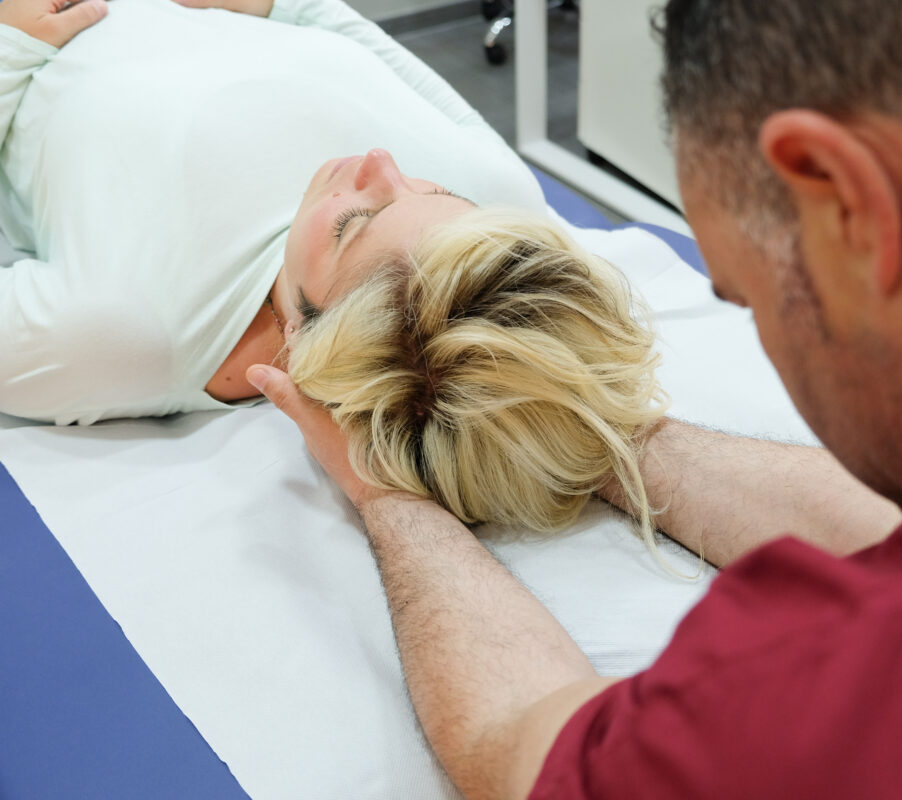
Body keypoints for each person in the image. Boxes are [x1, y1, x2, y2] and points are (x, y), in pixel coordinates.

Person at [252, 0, 902, 797]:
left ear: (847, 204)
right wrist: (583, 421)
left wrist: (382, 493)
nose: (380, 164)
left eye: (744, 295)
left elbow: (527, 744)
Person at [0, 0, 667, 538]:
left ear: (302, 344)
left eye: (353, 224)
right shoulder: (499, 205)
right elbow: (360, 41)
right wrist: (275, 6)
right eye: (432, 190)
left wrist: (10, 46)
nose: (379, 162)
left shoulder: (119, 335)